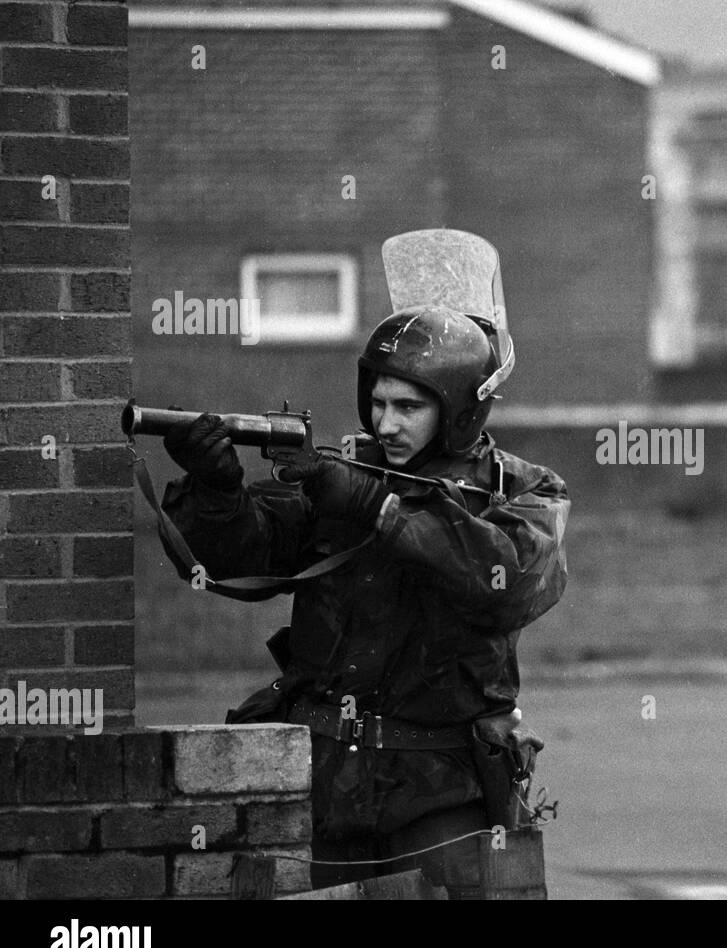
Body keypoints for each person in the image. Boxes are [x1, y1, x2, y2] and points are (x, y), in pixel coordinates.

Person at [159, 286, 568, 896]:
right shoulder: (344, 471)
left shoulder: (524, 490)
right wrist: (219, 492)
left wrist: (378, 508)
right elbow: (244, 555)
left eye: (408, 407)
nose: (386, 422)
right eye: (378, 403)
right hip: (323, 779)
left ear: (457, 410)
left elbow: (506, 582)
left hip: (441, 787)